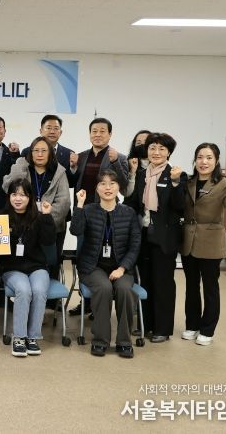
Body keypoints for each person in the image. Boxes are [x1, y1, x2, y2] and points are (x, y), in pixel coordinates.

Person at [70, 170, 141, 358]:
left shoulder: (128, 213)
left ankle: (124, 342)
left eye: (112, 183)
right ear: (97, 188)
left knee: (125, 290)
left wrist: (122, 268)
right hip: (92, 267)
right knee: (104, 288)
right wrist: (79, 205)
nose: (107, 187)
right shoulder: (88, 210)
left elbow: (135, 245)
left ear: (119, 187)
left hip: (121, 267)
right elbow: (75, 230)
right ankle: (100, 341)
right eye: (103, 183)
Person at [124, 133, 185, 343]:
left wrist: (175, 184)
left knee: (163, 283)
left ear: (169, 152)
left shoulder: (176, 175)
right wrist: (132, 175)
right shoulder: (142, 174)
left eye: (161, 149)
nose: (156, 152)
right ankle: (146, 324)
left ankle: (163, 328)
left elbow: (180, 206)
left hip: (164, 238)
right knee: (145, 281)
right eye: (152, 148)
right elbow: (132, 203)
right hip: (143, 235)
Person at [181, 143, 226, 346]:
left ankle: (207, 329)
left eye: (209, 157)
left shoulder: (224, 183)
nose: (204, 162)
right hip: (188, 240)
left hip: (211, 242)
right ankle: (192, 325)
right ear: (195, 160)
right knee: (191, 287)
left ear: (216, 161)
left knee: (210, 288)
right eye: (200, 157)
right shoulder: (189, 182)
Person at [68, 118, 129, 317]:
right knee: (83, 258)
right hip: (83, 215)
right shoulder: (82, 156)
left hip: (106, 217)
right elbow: (73, 181)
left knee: (103, 259)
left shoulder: (118, 157)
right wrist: (73, 167)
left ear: (110, 134)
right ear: (89, 134)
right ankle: (86, 302)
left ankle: (99, 303)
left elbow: (124, 186)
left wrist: (115, 162)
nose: (98, 134)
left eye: (103, 131)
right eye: (94, 131)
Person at [0, 179, 56, 357]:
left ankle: (33, 337)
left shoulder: (38, 217)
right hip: (12, 268)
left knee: (39, 290)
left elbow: (49, 241)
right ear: (9, 197)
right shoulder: (1, 217)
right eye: (14, 194)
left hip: (37, 267)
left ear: (30, 198)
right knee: (24, 290)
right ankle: (19, 337)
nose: (18, 199)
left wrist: (47, 216)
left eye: (22, 195)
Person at [3, 136, 71, 280]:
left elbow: (64, 202)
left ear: (50, 153)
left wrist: (43, 222)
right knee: (19, 262)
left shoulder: (59, 172)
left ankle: (50, 293)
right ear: (31, 152)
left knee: (51, 264)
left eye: (44, 151)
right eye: (36, 150)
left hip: (51, 226)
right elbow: (7, 187)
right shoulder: (23, 167)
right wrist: (20, 164)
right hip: (22, 226)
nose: (40, 154)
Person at [21, 115, 74, 181]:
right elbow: (19, 179)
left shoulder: (69, 154)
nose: (52, 132)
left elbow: (72, 182)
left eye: (56, 128)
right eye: (48, 128)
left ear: (60, 133)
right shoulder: (27, 152)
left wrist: (73, 167)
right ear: (41, 131)